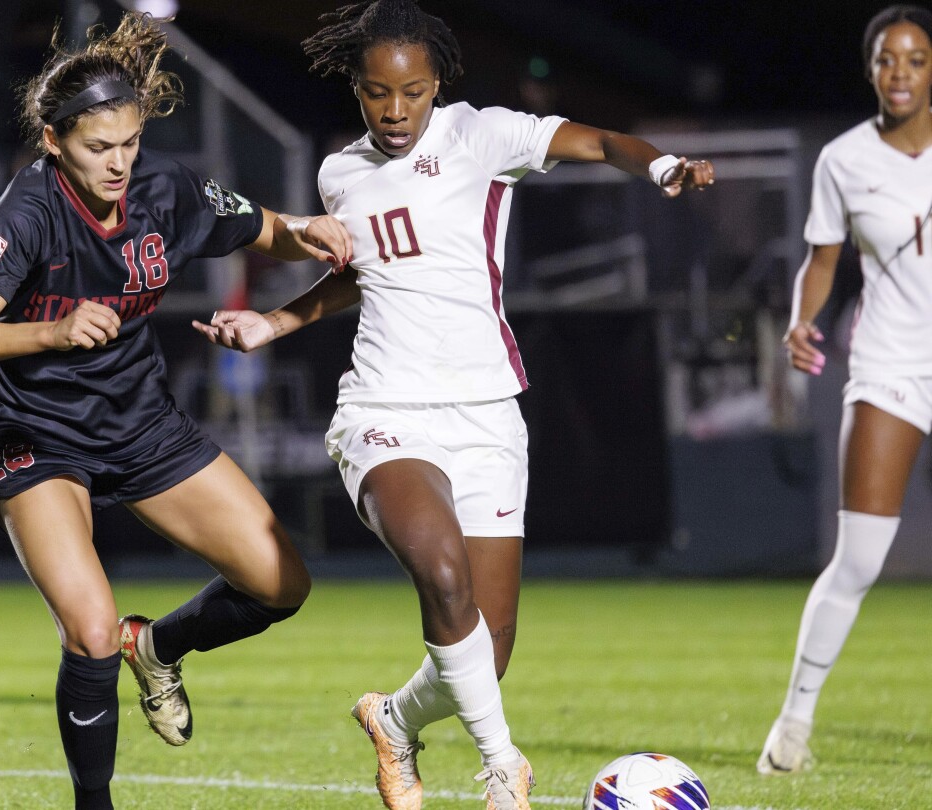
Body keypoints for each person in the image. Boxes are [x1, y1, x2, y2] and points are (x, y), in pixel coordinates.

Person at [194, 2, 714, 808]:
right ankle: (505, 768)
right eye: (375, 93)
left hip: (487, 414)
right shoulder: (341, 173)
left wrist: (659, 165)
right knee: (443, 576)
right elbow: (361, 272)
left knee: (486, 648)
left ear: (438, 84)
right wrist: (275, 319)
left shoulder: (481, 136)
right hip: (384, 408)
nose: (395, 111)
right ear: (357, 89)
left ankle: (395, 722)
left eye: (412, 92)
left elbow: (600, 140)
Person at [0, 12, 351, 809]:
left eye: (128, 142)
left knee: (280, 584)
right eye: (97, 147)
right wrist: (48, 329)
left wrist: (309, 231)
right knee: (88, 627)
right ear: (54, 142)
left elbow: (265, 230)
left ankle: (156, 649)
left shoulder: (166, 187)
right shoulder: (29, 212)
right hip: (30, 429)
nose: (118, 162)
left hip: (137, 421)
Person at [758, 4, 932, 776]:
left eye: (916, 59)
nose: (900, 73)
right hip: (892, 363)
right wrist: (800, 320)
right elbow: (823, 260)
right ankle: (793, 724)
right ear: (870, 70)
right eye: (887, 59)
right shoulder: (843, 159)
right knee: (859, 558)